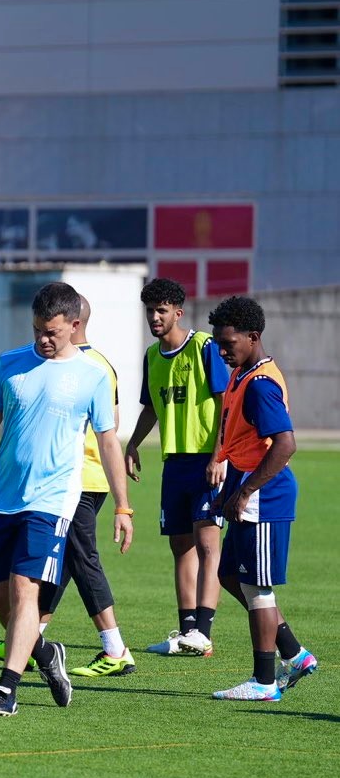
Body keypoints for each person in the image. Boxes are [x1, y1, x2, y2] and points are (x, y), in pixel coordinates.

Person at [0, 282, 133, 717]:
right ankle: (45, 653)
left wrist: (123, 506)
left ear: (74, 325)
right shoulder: (9, 364)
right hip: (2, 498)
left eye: (51, 332)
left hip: (53, 500)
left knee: (24, 590)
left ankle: (6, 689)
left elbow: (109, 443)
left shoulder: (92, 376)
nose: (43, 339)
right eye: (37, 330)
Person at [207, 296, 316, 701]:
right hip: (245, 488)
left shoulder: (260, 385)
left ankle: (265, 681)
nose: (222, 350)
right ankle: (295, 653)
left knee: (257, 586)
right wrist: (230, 489)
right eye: (219, 342)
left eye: (228, 342)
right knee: (230, 577)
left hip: (265, 495)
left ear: (253, 337)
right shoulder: (242, 373)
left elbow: (285, 444)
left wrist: (246, 491)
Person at [125, 278, 229, 656]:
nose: (154, 317)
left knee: (207, 544)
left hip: (206, 460)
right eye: (150, 310)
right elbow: (151, 407)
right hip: (174, 463)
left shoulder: (205, 347)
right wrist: (133, 444)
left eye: (161, 310)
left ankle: (204, 631)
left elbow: (225, 403)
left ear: (178, 313)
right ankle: (187, 632)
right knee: (180, 547)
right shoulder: (152, 357)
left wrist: (220, 456)